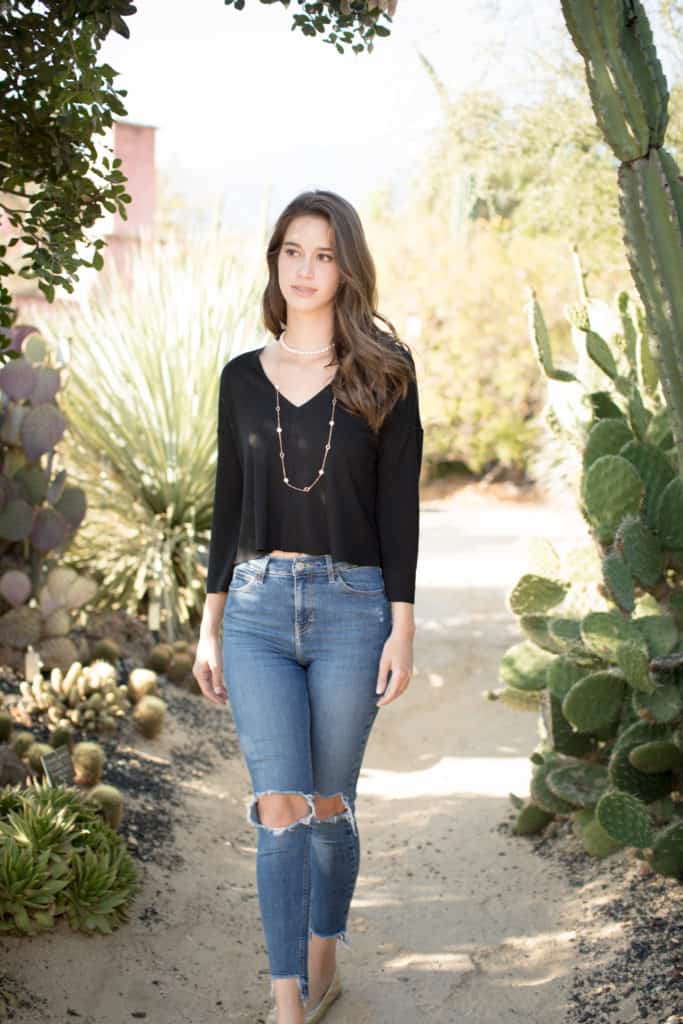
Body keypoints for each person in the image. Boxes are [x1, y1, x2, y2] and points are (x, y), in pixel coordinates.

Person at [193, 189, 423, 1024]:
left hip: (351, 608)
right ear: (274, 261)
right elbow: (227, 505)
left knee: (329, 804)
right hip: (254, 608)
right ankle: (285, 998)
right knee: (279, 805)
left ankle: (323, 952)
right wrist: (208, 623)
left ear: (346, 267)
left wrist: (401, 625)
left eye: (323, 254)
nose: (305, 268)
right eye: (292, 250)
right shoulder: (240, 381)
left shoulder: (385, 373)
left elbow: (400, 507)